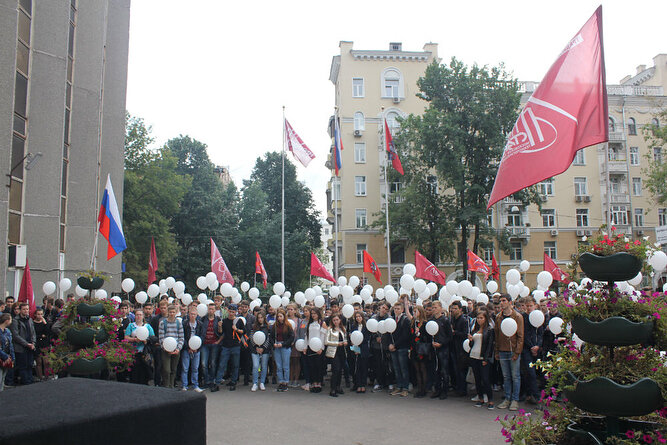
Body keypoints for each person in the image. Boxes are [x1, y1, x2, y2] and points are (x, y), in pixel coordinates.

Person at [494, 295, 524, 411]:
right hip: (502, 350)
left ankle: (515, 400)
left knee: (515, 376)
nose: (501, 303)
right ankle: (507, 398)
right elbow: (497, 335)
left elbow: (520, 336)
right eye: (500, 301)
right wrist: (497, 350)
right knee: (506, 376)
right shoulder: (498, 317)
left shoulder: (517, 316)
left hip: (513, 351)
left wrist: (517, 352)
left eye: (503, 301)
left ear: (510, 302)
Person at [214, 304, 245, 391]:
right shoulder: (224, 321)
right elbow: (221, 333)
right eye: (230, 311)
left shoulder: (238, 321)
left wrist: (236, 329)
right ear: (227, 311)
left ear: (235, 312)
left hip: (235, 345)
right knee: (222, 364)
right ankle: (217, 382)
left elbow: (244, 331)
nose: (231, 313)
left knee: (235, 365)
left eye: (233, 312)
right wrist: (220, 326)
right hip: (226, 346)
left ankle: (233, 381)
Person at [468, 310, 495, 409]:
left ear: (485, 319)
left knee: (485, 379)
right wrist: (470, 340)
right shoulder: (475, 329)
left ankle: (490, 400)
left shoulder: (489, 330)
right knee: (477, 379)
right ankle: (480, 398)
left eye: (481, 318)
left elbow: (489, 346)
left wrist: (486, 358)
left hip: (483, 357)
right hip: (473, 356)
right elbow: (471, 345)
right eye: (478, 318)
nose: (479, 320)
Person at [521, 297, 544, 404]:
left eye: (531, 306)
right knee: (530, 372)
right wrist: (531, 347)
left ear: (535, 305)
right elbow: (524, 334)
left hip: (537, 348)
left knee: (538, 372)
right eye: (527, 306)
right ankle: (536, 395)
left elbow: (540, 333)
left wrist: (537, 346)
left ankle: (531, 393)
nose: (529, 308)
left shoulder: (537, 316)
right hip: (527, 348)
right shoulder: (523, 317)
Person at [125, 308, 156, 385]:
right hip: (134, 350)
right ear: (135, 316)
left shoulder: (147, 326)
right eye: (137, 315)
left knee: (144, 369)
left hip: (144, 351)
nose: (139, 316)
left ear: (143, 316)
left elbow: (153, 337)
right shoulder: (131, 325)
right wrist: (135, 339)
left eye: (140, 315)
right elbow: (126, 337)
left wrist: (146, 340)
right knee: (135, 370)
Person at [430, 300, 453, 400]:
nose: (434, 309)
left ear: (440, 308)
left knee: (444, 370)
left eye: (436, 307)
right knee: (436, 370)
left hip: (443, 349)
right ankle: (437, 389)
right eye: (433, 308)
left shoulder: (445, 320)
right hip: (434, 348)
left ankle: (445, 391)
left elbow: (449, 336)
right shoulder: (431, 320)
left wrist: (442, 343)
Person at [158, 304, 184, 388]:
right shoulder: (162, 323)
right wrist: (165, 348)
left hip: (176, 349)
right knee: (166, 370)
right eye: (170, 312)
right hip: (166, 350)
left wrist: (178, 348)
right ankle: (166, 386)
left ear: (176, 312)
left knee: (173, 369)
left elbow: (181, 337)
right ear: (168, 312)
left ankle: (171, 386)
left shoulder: (178, 323)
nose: (172, 314)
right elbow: (161, 337)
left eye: (173, 312)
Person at [388, 302, 411, 397]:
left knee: (403, 368)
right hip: (393, 347)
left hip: (402, 347)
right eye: (395, 309)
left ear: (402, 310)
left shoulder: (405, 320)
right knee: (396, 369)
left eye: (398, 309)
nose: (396, 310)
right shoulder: (392, 320)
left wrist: (395, 345)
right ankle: (399, 386)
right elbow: (389, 333)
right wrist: (390, 344)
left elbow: (405, 335)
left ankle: (405, 388)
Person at [10, 303, 36, 386]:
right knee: (23, 366)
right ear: (20, 310)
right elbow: (15, 335)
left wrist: (33, 343)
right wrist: (26, 344)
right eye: (24, 309)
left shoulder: (30, 319)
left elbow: (33, 332)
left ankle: (30, 380)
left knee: (30, 365)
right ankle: (25, 382)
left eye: (27, 309)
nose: (26, 311)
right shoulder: (15, 320)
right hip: (21, 347)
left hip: (30, 346)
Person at [270, 308, 294, 392]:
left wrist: (283, 344)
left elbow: (291, 337)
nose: (279, 318)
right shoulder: (275, 326)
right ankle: (280, 381)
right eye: (278, 316)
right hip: (277, 346)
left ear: (284, 317)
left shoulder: (288, 325)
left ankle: (286, 382)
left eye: (281, 316)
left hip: (285, 347)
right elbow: (271, 336)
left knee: (285, 366)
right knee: (279, 365)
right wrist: (273, 343)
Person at [181, 305, 204, 392]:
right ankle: (184, 385)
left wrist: (196, 348)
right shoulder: (184, 324)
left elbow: (202, 337)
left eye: (194, 314)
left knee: (195, 368)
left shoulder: (200, 324)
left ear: (197, 314)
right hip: (187, 349)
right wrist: (188, 347)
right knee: (185, 368)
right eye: (191, 314)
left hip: (197, 349)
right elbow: (183, 337)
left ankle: (195, 385)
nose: (192, 316)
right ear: (188, 314)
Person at [200, 303, 222, 391]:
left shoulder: (218, 319)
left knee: (213, 363)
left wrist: (218, 341)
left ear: (215, 310)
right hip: (204, 344)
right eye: (209, 309)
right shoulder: (203, 319)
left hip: (214, 344)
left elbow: (221, 333)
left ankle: (212, 380)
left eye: (212, 309)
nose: (211, 311)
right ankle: (206, 380)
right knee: (204, 364)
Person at [449, 300, 469, 397]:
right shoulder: (452, 319)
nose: (453, 310)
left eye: (455, 308)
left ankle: (463, 389)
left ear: (460, 310)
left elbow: (465, 334)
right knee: (455, 369)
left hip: (461, 349)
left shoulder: (463, 320)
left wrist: (454, 332)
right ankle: (457, 387)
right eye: (452, 308)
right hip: (453, 347)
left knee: (461, 370)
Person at [411, 306, 431, 398]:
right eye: (413, 311)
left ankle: (424, 389)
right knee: (417, 369)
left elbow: (428, 337)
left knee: (423, 368)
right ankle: (419, 388)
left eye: (416, 311)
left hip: (422, 349)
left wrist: (420, 333)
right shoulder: (413, 323)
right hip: (414, 348)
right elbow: (410, 337)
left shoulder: (425, 323)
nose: (414, 313)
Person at [324, 313, 347, 397]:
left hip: (342, 351)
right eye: (334, 320)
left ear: (340, 320)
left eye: (337, 320)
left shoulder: (342, 328)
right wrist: (337, 343)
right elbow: (326, 342)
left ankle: (338, 386)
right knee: (335, 370)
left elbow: (345, 338)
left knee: (340, 370)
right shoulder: (330, 329)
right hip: (334, 352)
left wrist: (345, 342)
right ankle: (332, 389)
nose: (335, 321)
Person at [305, 307, 326, 393]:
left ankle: (319, 383)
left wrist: (321, 348)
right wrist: (305, 347)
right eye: (312, 313)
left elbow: (323, 336)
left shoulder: (322, 323)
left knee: (319, 366)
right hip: (310, 347)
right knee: (312, 366)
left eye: (315, 313)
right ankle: (314, 383)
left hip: (318, 348)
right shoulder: (309, 323)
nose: (313, 315)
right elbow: (307, 335)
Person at [250, 310, 271, 391]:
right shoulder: (253, 326)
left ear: (264, 318)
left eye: (261, 318)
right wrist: (256, 347)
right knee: (255, 366)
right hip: (255, 349)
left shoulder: (268, 327)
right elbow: (252, 337)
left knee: (264, 366)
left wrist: (263, 348)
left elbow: (268, 339)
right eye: (258, 318)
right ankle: (255, 383)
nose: (260, 319)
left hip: (265, 350)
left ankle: (262, 382)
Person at [351, 311, 371, 393]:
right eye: (356, 317)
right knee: (357, 368)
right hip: (356, 349)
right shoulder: (353, 326)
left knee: (364, 367)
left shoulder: (366, 327)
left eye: (359, 316)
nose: (358, 318)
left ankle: (363, 385)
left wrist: (360, 343)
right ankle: (358, 385)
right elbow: (352, 337)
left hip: (364, 349)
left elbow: (367, 338)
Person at [33, 308, 51, 381]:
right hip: (37, 343)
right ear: (35, 315)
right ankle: (40, 377)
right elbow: (33, 334)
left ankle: (46, 377)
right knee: (39, 362)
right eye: (38, 314)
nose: (40, 316)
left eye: (41, 314)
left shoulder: (44, 323)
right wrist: (40, 336)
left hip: (45, 344)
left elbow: (48, 333)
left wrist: (45, 323)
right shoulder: (33, 323)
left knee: (46, 362)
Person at [286, 304, 301, 387]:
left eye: (291, 309)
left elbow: (299, 332)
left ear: (295, 311)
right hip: (288, 343)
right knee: (290, 362)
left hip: (296, 343)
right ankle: (290, 379)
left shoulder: (298, 320)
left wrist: (295, 341)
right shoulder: (286, 320)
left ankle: (296, 379)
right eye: (288, 309)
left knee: (296, 361)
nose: (290, 311)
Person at [0, 313, 15, 391]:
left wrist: (12, 357)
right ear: (6, 321)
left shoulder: (7, 331)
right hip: (2, 357)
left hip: (7, 357)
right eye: (10, 319)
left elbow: (10, 345)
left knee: (3, 378)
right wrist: (5, 356)